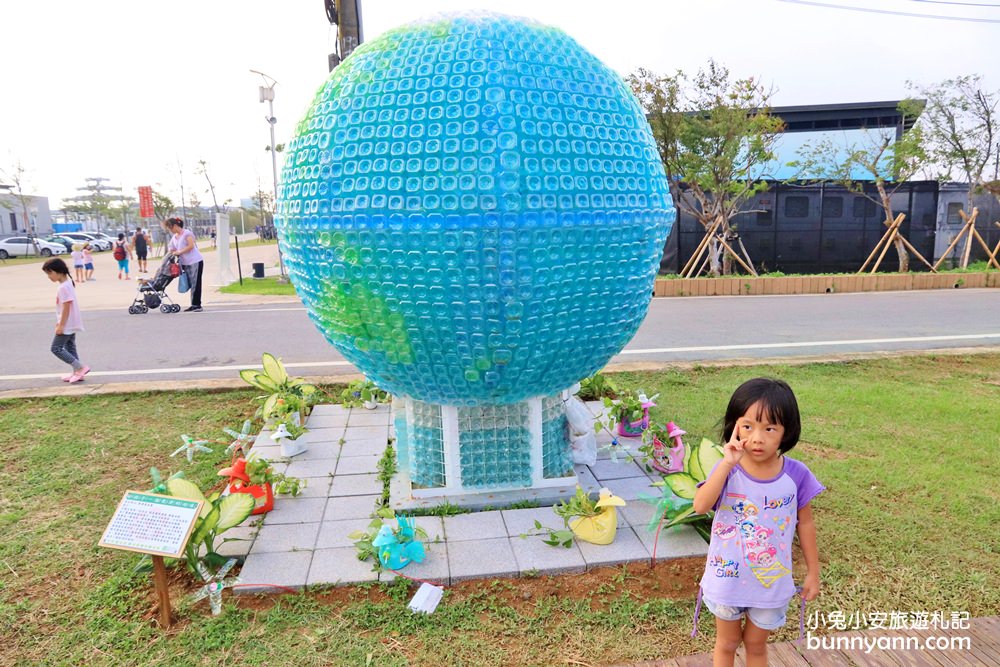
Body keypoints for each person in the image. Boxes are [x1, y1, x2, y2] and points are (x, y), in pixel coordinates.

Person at [692, 378, 824, 667]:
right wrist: (727, 464)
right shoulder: (727, 469)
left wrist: (813, 571)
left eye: (770, 428)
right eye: (748, 426)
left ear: (786, 432)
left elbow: (806, 524)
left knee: (756, 645)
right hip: (727, 580)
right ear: (734, 426)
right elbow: (700, 506)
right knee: (726, 644)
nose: (757, 438)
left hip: (771, 583)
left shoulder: (796, 475)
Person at [42, 257, 90, 383]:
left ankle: (80, 368)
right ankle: (78, 373)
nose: (49, 276)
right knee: (70, 346)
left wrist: (61, 325)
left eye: (50, 273)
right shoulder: (68, 284)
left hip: (67, 323)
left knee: (56, 348)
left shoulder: (63, 287)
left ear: (59, 271)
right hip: (71, 322)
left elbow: (66, 307)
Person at [166, 217, 205, 312]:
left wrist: (179, 252)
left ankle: (197, 304)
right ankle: (194, 304)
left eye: (170, 228)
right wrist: (173, 252)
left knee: (196, 283)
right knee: (191, 284)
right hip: (185, 263)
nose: (170, 230)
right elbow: (171, 248)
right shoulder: (175, 237)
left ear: (175, 225)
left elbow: (191, 245)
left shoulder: (187, 233)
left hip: (195, 261)